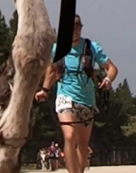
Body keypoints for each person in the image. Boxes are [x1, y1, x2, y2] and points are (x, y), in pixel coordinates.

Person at [34, 14, 118, 173]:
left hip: (87, 100)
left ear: (81, 27)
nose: (75, 29)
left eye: (78, 26)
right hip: (65, 97)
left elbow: (112, 68)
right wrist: (45, 90)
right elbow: (51, 71)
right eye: (71, 26)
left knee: (83, 144)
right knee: (70, 135)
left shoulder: (92, 47)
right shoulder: (57, 49)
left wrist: (107, 80)